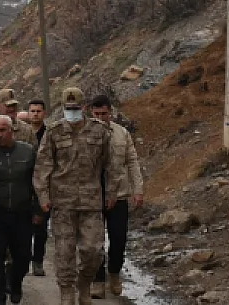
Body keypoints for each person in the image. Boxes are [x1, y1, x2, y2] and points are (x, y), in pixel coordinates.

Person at [33, 88, 119, 305]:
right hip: (62, 203)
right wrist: (43, 196)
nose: (72, 112)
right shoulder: (53, 132)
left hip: (91, 202)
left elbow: (112, 165)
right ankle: (67, 292)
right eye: (68, 109)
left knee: (93, 251)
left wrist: (111, 192)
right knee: (64, 251)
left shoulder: (99, 131)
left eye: (75, 108)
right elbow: (43, 166)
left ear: (84, 108)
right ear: (62, 108)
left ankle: (84, 284)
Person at [0, 115, 38, 305]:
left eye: (3, 130)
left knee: (22, 256)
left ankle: (16, 283)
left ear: (12, 130)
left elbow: (37, 183)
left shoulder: (27, 152)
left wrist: (38, 211)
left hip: (22, 213)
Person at [88, 96, 144, 298]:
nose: (101, 118)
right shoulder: (84, 135)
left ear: (110, 112)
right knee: (94, 241)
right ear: (91, 113)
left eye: (104, 114)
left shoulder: (122, 134)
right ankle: (97, 280)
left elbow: (132, 162)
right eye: (97, 114)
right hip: (92, 197)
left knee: (118, 239)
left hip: (119, 195)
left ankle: (114, 273)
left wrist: (138, 190)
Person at [25, 99, 49, 277]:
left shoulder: (50, 134)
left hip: (43, 186)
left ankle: (38, 260)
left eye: (38, 111)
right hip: (23, 185)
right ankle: (23, 258)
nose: (35, 114)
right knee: (23, 226)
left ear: (44, 113)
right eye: (32, 111)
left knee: (40, 226)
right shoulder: (22, 133)